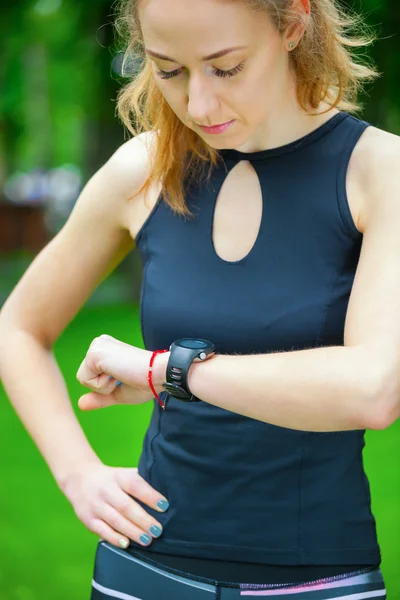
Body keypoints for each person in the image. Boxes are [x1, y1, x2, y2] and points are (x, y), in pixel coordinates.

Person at [0, 0, 398, 597]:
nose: (199, 105)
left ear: (293, 24)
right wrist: (77, 473)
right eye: (168, 69)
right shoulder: (141, 171)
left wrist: (164, 372)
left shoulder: (379, 172)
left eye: (227, 68)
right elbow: (18, 328)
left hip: (315, 581)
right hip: (140, 571)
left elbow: (372, 390)